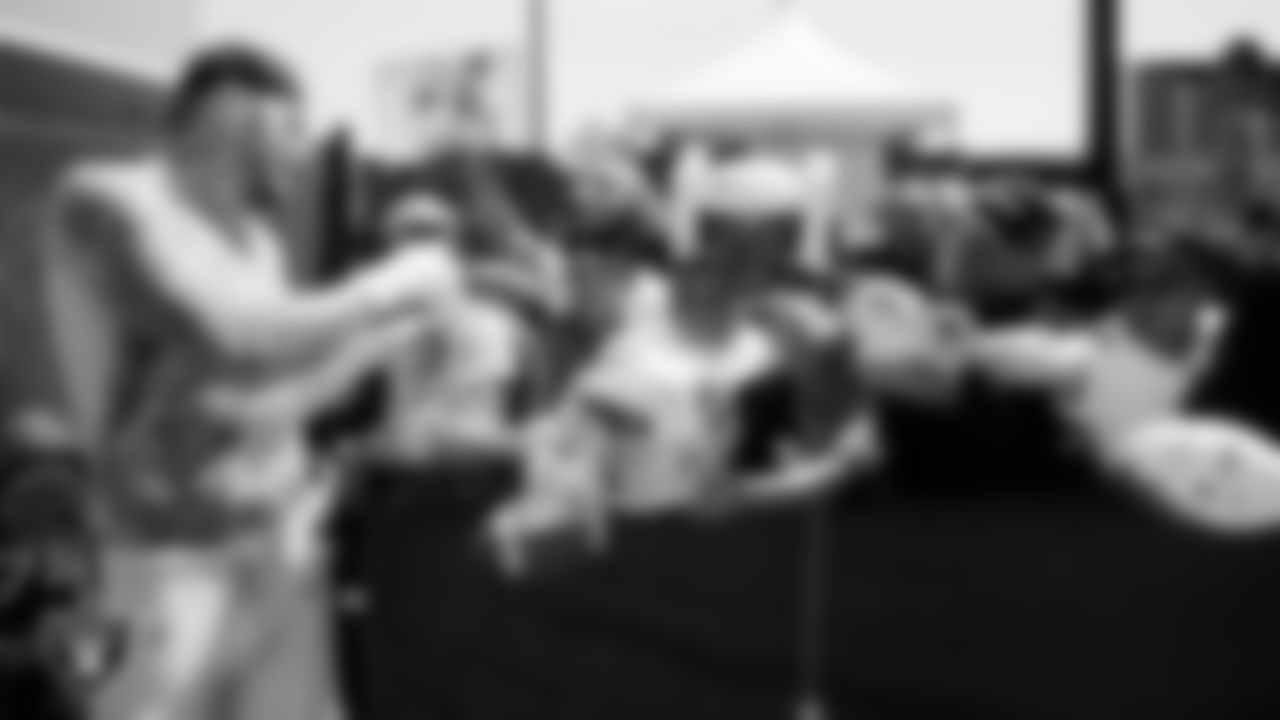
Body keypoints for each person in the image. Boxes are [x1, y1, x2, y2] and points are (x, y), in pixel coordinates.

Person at [40, 43, 454, 720]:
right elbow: (229, 334)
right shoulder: (103, 199)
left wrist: (376, 347)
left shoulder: (257, 241)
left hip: (283, 552)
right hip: (170, 570)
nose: (303, 153)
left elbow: (263, 404)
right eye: (293, 129)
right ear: (242, 117)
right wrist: (388, 287)